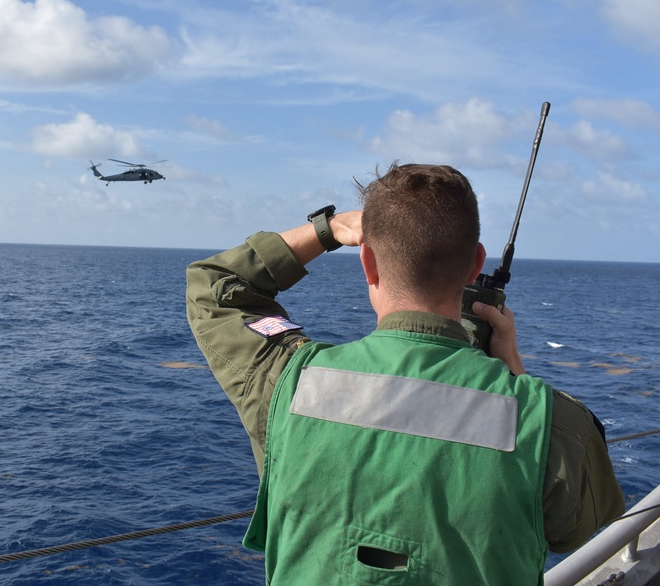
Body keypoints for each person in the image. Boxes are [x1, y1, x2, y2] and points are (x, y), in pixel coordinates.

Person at [186, 163, 624, 585]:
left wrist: (329, 230)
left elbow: (215, 287)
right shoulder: (554, 424)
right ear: (475, 264)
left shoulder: (289, 382)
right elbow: (573, 531)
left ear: (368, 263)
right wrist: (512, 372)